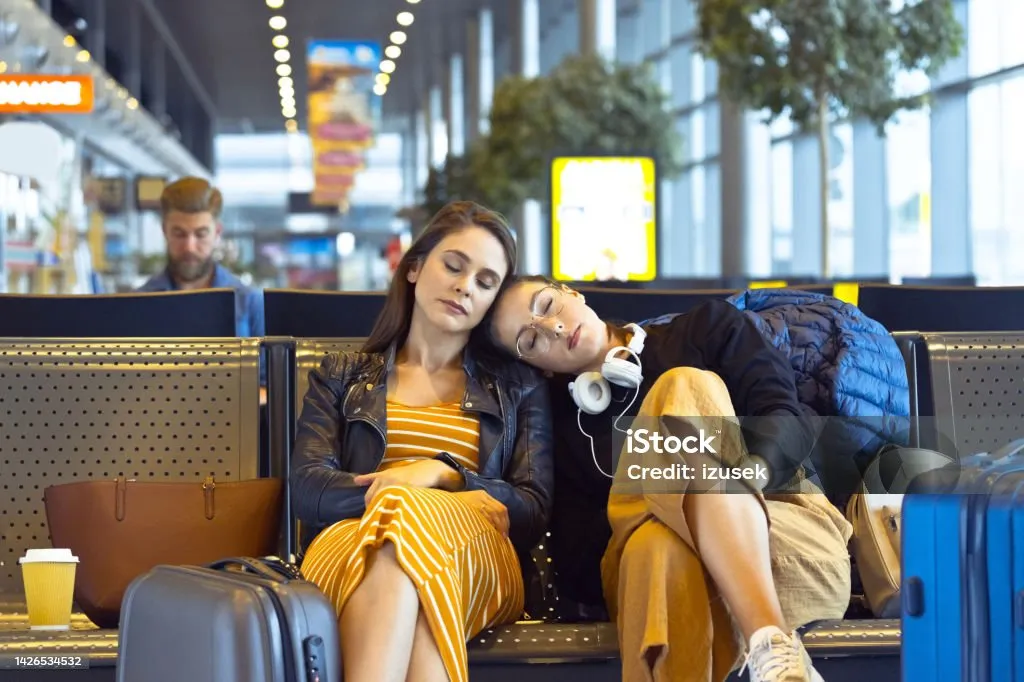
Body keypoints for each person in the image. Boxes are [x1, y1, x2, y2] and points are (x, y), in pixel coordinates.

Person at [487, 275, 853, 682]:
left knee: (683, 384)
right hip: (653, 581)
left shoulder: (704, 329)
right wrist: (673, 503)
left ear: (572, 292)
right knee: (654, 545)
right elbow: (578, 566)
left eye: (546, 304)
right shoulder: (558, 428)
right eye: (531, 340)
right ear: (534, 367)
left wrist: (731, 485)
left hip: (788, 547)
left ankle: (767, 635)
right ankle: (773, 647)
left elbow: (788, 421)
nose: (552, 328)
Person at [290, 202, 554, 682]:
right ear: (414, 268)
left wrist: (442, 473)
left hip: (476, 554)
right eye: (453, 266)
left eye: (485, 282)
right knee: (400, 543)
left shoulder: (518, 385)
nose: (464, 286)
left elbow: (532, 507)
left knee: (405, 531)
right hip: (349, 548)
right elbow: (309, 488)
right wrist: (403, 497)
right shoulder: (342, 375)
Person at [137, 176, 264, 339]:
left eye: (201, 234)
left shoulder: (249, 302)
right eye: (179, 234)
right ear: (164, 231)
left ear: (217, 233)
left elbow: (267, 364)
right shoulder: (141, 303)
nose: (189, 247)